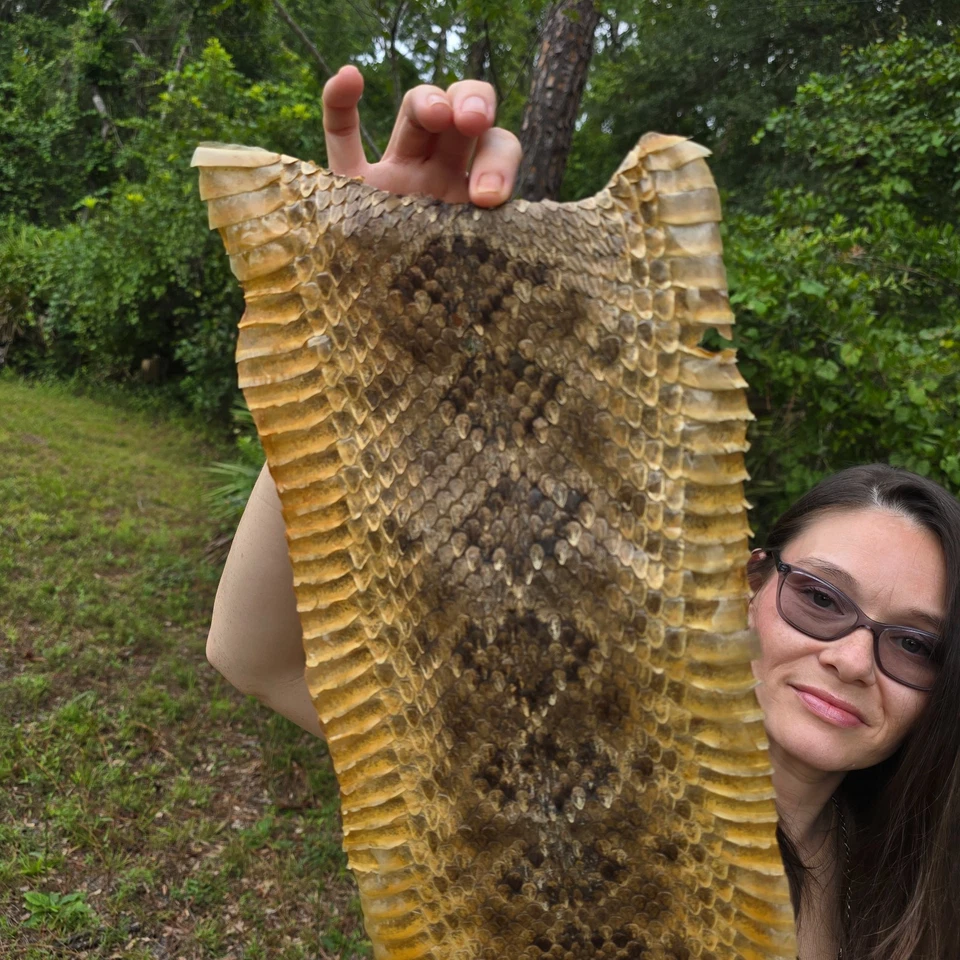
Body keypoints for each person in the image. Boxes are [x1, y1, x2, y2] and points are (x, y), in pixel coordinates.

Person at [205, 67, 960, 960]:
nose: (853, 659)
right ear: (748, 583)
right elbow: (254, 657)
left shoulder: (923, 885)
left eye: (914, 645)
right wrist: (374, 321)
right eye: (821, 600)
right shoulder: (557, 776)